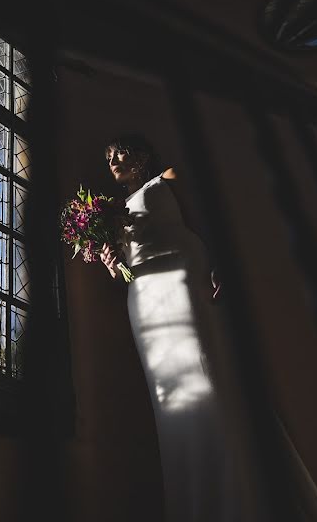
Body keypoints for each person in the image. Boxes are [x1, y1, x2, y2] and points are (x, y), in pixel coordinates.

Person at [100, 133, 240, 522]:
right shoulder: (111, 212)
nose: (113, 160)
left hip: (182, 273)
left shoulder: (166, 179)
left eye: (120, 152)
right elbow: (122, 271)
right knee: (170, 394)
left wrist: (219, 262)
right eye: (108, 156)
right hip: (143, 296)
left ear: (142, 157)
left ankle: (238, 489)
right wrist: (112, 263)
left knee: (204, 370)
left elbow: (202, 218)